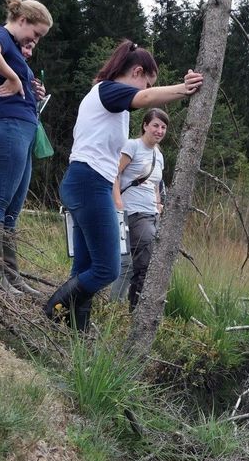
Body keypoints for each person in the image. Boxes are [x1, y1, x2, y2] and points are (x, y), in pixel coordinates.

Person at [45, 40, 203, 331]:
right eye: (145, 83)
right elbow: (146, 99)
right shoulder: (108, 90)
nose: (144, 90)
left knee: (84, 268)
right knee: (107, 269)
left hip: (83, 182)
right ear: (136, 72)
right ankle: (53, 308)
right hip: (90, 183)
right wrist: (184, 88)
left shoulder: (105, 96)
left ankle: (76, 336)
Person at [0, 0, 51, 296]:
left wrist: (29, 88)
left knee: (11, 210)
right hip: (4, 129)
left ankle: (11, 276)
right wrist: (12, 77)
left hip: (18, 130)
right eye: (36, 34)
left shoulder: (13, 48)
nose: (35, 40)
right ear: (22, 21)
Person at [112, 108, 169, 311]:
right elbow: (114, 173)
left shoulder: (159, 155)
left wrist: (159, 205)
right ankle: (135, 310)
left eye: (163, 127)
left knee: (129, 264)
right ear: (145, 125)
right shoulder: (132, 146)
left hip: (152, 214)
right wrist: (118, 203)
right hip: (133, 212)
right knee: (145, 262)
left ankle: (118, 307)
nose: (159, 130)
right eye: (155, 125)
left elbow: (155, 185)